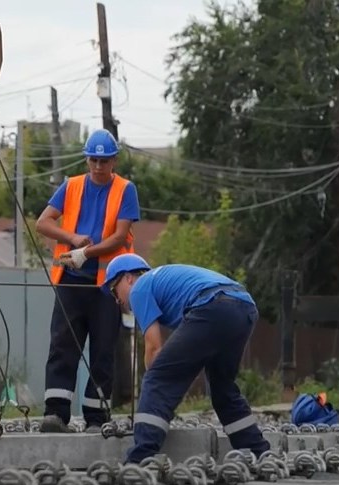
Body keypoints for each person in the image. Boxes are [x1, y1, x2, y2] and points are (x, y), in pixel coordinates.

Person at [100, 254, 273, 464]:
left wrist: (154, 392)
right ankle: (258, 451)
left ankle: (140, 457)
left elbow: (154, 347)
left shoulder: (140, 288)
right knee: (222, 388)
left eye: (113, 289)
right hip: (243, 306)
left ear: (128, 278)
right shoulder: (162, 280)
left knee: (158, 378)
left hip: (212, 305)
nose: (117, 300)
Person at [34, 129, 140, 434]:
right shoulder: (72, 187)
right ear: (86, 160)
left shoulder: (125, 189)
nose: (98, 166)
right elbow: (43, 222)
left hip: (106, 284)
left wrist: (87, 252)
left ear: (113, 161)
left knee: (103, 350)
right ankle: (55, 413)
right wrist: (73, 241)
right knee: (62, 346)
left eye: (104, 161)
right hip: (71, 279)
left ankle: (96, 418)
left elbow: (120, 237)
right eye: (93, 160)